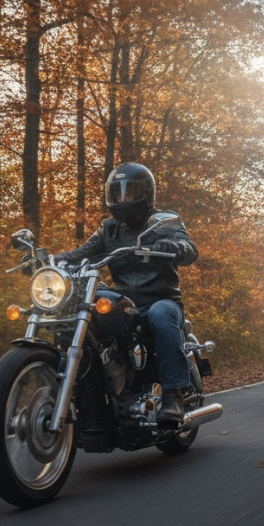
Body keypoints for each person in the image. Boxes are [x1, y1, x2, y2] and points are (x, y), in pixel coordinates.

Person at [54, 162, 198, 425]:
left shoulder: (163, 221)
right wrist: (52, 261)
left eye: (129, 193)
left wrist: (175, 245)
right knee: (88, 309)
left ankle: (173, 394)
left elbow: (189, 249)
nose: (122, 199)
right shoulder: (109, 228)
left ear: (146, 193)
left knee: (161, 314)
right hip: (126, 304)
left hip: (161, 299)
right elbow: (81, 254)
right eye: (117, 193)